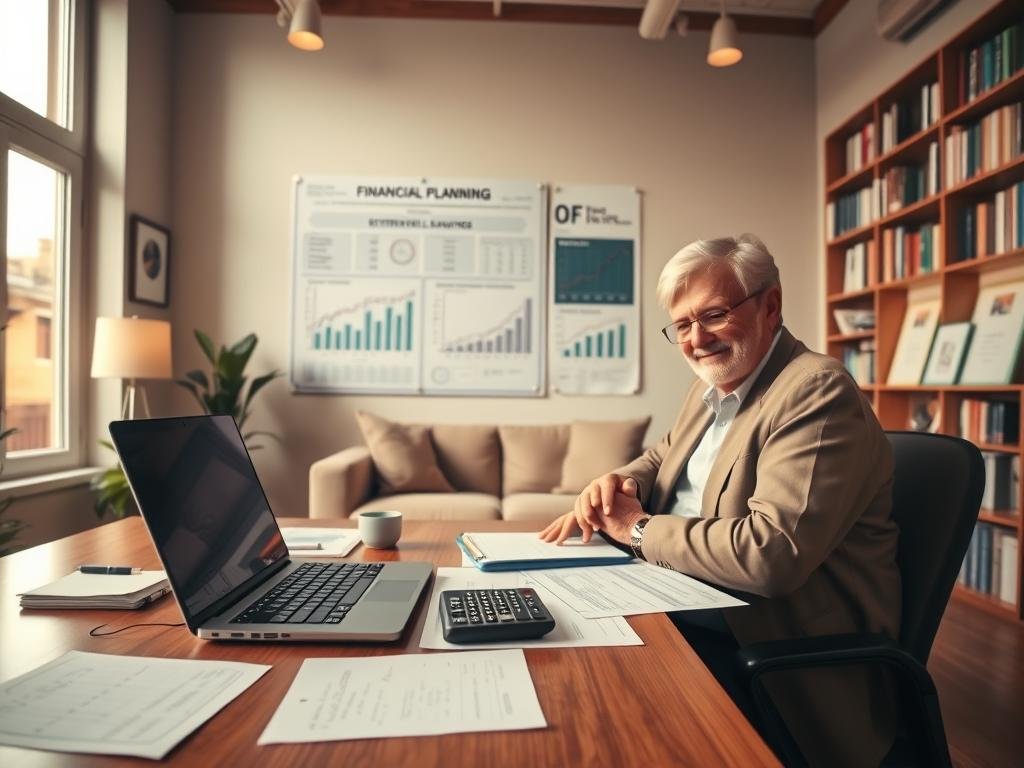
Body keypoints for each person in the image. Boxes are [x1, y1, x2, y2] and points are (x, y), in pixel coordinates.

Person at [541, 234, 900, 768]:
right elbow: (662, 458)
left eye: (712, 315)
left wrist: (636, 529)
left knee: (594, 696)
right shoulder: (712, 386)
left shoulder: (814, 390)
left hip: (770, 634)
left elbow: (770, 555)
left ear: (770, 305)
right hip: (683, 592)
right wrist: (619, 482)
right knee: (553, 631)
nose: (696, 339)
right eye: (681, 325)